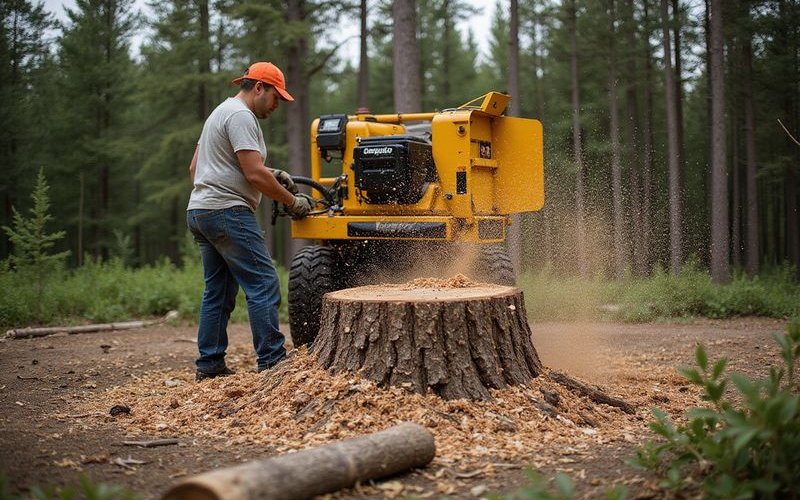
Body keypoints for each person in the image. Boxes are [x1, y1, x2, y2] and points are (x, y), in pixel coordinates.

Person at [186, 61, 314, 381]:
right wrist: (292, 201)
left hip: (200, 211)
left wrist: (274, 174)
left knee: (218, 290)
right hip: (227, 211)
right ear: (258, 87)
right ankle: (272, 362)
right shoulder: (242, 116)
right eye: (275, 97)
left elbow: (196, 168)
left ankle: (210, 365)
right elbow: (253, 173)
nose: (276, 105)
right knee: (264, 283)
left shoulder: (219, 113)